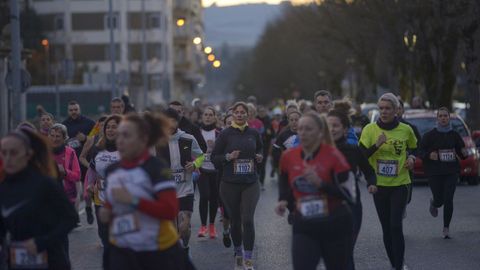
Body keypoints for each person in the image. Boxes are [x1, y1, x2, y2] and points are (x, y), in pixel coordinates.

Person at [99, 112, 190, 270]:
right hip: (122, 248)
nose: (119, 140)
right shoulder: (112, 170)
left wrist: (133, 201)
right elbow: (113, 203)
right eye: (119, 135)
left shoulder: (158, 168)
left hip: (157, 250)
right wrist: (107, 211)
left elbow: (170, 210)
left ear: (143, 139)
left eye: (126, 135)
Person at [275, 112, 356, 270]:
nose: (303, 133)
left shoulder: (334, 156)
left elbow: (349, 194)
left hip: (334, 222)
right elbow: (284, 179)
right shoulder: (288, 156)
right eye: (300, 129)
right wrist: (283, 199)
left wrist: (321, 184)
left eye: (308, 129)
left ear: (320, 132)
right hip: (304, 223)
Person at [0, 127, 78, 270]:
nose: (8, 158)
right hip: (17, 261)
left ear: (28, 154)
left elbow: (71, 218)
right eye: (4, 153)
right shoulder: (3, 188)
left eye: (14, 153)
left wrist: (42, 242)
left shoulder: (45, 184)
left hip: (51, 260)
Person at [359, 93, 417, 270]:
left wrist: (413, 158)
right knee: (386, 228)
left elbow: (415, 147)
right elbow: (360, 158)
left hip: (400, 183)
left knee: (395, 224)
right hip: (379, 185)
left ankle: (399, 266)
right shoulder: (369, 130)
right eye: (381, 108)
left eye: (388, 108)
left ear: (396, 111)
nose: (384, 112)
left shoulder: (406, 129)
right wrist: (376, 145)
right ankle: (394, 264)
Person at [212, 102, 263, 270]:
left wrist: (259, 157)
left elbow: (261, 150)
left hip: (250, 182)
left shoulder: (254, 133)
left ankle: (248, 260)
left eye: (243, 112)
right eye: (237, 112)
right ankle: (238, 255)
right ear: (233, 115)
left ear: (248, 115)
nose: (240, 115)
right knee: (235, 220)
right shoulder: (225, 134)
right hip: (229, 184)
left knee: (247, 220)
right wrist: (227, 157)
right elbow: (214, 158)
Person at [327, 107, 377, 270]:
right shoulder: (317, 152)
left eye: (335, 126)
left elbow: (369, 172)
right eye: (328, 126)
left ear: (345, 129)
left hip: (351, 207)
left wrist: (372, 183)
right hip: (326, 208)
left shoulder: (353, 150)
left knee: (346, 251)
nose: (331, 129)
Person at [157, 108, 204, 256]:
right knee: (172, 227)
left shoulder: (188, 138)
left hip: (186, 188)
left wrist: (195, 164)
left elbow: (202, 156)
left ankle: (185, 245)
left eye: (172, 120)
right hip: (167, 191)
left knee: (184, 226)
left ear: (177, 122)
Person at [419, 107, 466, 239]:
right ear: (437, 118)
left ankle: (446, 227)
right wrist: (429, 155)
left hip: (451, 171)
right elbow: (420, 151)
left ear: (449, 118)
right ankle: (434, 203)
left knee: (448, 199)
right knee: (440, 200)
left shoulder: (455, 135)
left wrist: (464, 153)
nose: (443, 118)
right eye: (440, 116)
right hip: (435, 172)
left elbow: (462, 152)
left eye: (445, 116)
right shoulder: (430, 135)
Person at [85, 115, 121, 268]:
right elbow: (92, 172)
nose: (111, 130)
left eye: (114, 126)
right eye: (108, 127)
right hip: (101, 199)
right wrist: (90, 185)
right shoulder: (97, 150)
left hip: (122, 202)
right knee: (104, 235)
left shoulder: (127, 149)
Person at [197, 107, 221, 239]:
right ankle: (203, 226)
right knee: (204, 196)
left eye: (210, 115)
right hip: (202, 169)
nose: (208, 117)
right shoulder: (198, 132)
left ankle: (211, 226)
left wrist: (213, 148)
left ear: (215, 117)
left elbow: (223, 150)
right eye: (205, 114)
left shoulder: (219, 133)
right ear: (202, 117)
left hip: (215, 170)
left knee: (214, 198)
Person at [48, 124, 81, 208]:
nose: (54, 139)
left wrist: (65, 172)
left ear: (64, 138)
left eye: (58, 136)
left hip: (67, 198)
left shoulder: (70, 152)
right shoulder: (43, 152)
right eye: (52, 136)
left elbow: (77, 176)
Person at [257, 106, 276, 191]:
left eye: (263, 111)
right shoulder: (256, 120)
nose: (262, 113)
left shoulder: (268, 120)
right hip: (256, 146)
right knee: (256, 164)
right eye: (260, 111)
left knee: (263, 164)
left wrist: (269, 133)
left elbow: (272, 134)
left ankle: (261, 183)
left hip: (265, 145)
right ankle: (256, 182)